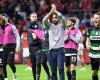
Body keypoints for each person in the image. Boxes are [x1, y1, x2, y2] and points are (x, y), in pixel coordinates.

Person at [43, 4, 66, 80]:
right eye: (53, 18)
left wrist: (55, 10)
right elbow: (44, 20)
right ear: (51, 19)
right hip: (51, 51)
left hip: (60, 50)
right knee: (53, 71)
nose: (54, 19)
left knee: (61, 69)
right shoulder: (49, 26)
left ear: (58, 18)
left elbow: (63, 18)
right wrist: (51, 11)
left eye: (56, 17)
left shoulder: (62, 26)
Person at [0, 13, 20, 80]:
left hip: (11, 46)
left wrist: (18, 46)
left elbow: (17, 36)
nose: (3, 18)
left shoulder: (12, 26)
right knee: (3, 64)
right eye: (1, 17)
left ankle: (14, 73)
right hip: (4, 47)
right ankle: (6, 78)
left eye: (4, 17)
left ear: (7, 18)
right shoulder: (0, 27)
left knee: (10, 62)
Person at [26, 12, 44, 80]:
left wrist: (35, 34)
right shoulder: (28, 23)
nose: (34, 18)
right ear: (30, 17)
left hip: (38, 46)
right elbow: (27, 29)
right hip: (31, 47)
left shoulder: (39, 23)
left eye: (35, 16)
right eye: (33, 16)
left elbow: (41, 30)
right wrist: (33, 32)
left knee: (38, 63)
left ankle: (38, 77)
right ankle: (34, 78)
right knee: (33, 64)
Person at [86, 12, 100, 80]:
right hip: (93, 54)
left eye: (97, 18)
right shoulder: (90, 29)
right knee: (95, 72)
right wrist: (87, 45)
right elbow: (88, 39)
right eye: (94, 18)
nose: (95, 19)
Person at [0, 14, 4, 80]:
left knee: (1, 62)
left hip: (1, 45)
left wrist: (1, 17)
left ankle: (1, 74)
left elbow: (3, 21)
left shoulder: (2, 27)